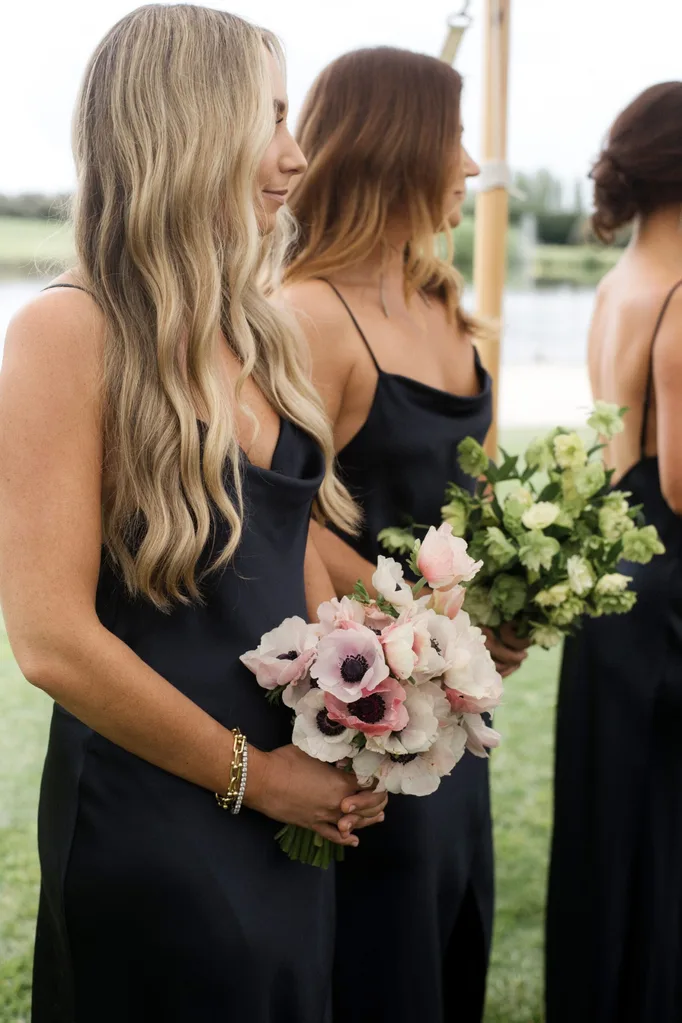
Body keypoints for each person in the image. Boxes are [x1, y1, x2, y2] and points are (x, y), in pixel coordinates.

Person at [0, 7, 387, 1022]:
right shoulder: (65, 330)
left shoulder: (254, 326)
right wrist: (257, 781)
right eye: (268, 118)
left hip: (290, 793)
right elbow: (49, 642)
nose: (297, 155)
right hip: (154, 814)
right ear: (188, 123)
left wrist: (403, 666)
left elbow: (287, 541)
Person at [284, 47, 527, 1023]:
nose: (470, 167)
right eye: (455, 140)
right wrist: (422, 632)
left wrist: (493, 615)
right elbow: (277, 518)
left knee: (452, 927)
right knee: (383, 963)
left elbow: (469, 502)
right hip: (361, 708)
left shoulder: (446, 308)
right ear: (398, 146)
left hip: (449, 708)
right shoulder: (307, 316)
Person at [546, 82, 682, 1023]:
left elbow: (609, 462)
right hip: (672, 597)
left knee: (610, 824)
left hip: (614, 590)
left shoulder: (616, 285)